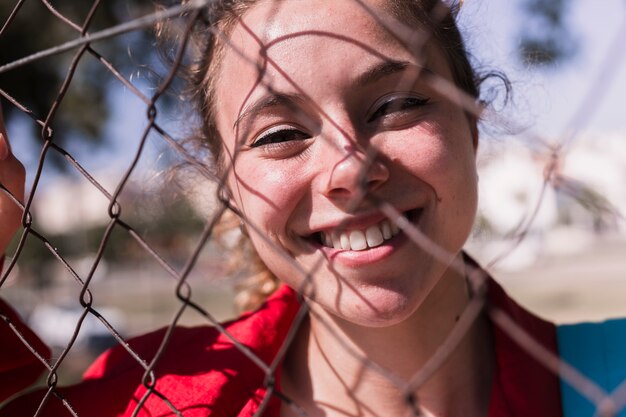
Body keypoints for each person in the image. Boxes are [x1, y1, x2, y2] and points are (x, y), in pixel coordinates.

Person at [0, 0, 564, 416]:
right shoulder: (138, 399)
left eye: (397, 104)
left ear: (469, 126)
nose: (349, 168)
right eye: (279, 135)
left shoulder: (601, 375)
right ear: (228, 187)